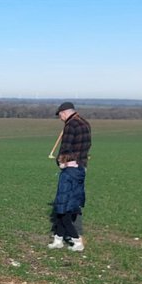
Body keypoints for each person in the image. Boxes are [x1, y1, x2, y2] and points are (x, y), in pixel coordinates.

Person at [49, 101, 91, 251]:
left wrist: (60, 162)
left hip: (70, 169)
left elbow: (66, 147)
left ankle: (77, 241)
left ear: (64, 113)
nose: (60, 118)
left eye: (60, 115)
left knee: (63, 206)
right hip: (81, 168)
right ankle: (58, 240)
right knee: (66, 205)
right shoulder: (84, 123)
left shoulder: (70, 125)